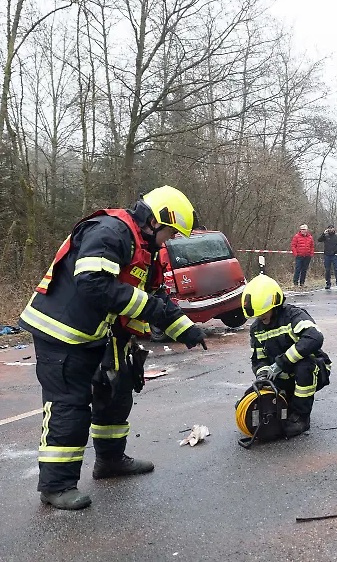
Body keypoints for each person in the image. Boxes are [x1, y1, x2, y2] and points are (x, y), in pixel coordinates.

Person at [18, 185, 209, 511]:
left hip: (96, 333)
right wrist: (146, 307)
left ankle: (110, 461)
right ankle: (56, 486)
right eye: (170, 233)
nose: (170, 241)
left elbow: (155, 298)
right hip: (63, 335)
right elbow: (93, 283)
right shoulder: (111, 231)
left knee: (115, 391)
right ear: (155, 222)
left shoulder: (142, 247)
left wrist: (186, 330)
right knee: (70, 406)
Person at [244, 274, 332, 436]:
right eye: (258, 315)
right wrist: (263, 376)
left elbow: (315, 337)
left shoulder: (293, 316)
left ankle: (302, 417)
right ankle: (288, 402)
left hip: (315, 370)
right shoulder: (256, 329)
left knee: (304, 365)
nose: (260, 318)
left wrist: (281, 363)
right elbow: (258, 360)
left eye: (264, 313)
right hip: (283, 377)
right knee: (250, 397)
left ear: (274, 304)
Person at [317, 224, 337, 290]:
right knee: (327, 270)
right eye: (329, 228)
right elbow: (319, 240)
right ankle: (328, 284)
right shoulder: (325, 235)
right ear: (327, 229)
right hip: (327, 255)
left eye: (332, 228)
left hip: (334, 255)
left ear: (334, 229)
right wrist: (323, 233)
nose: (331, 229)